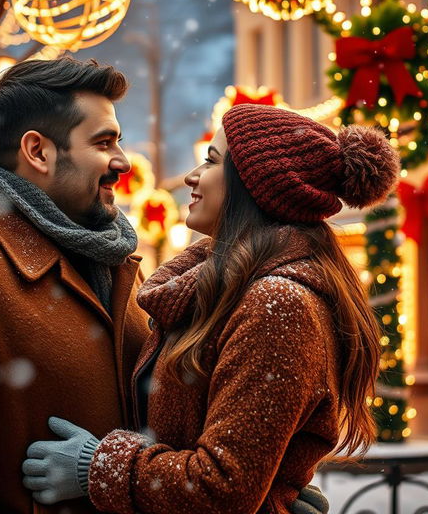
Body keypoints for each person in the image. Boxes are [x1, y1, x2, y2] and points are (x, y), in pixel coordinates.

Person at [0, 59, 326, 514]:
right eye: (103, 143)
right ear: (38, 152)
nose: (122, 161)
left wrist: (266, 492)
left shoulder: (117, 263)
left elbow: (155, 426)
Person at [23, 104, 400, 514]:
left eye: (212, 161)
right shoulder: (227, 293)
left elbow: (224, 487)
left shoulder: (277, 307)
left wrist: (98, 466)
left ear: (253, 188)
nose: (192, 176)